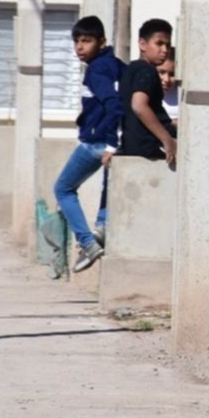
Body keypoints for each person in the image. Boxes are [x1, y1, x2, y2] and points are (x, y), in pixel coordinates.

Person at [56, 16, 124, 273]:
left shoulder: (97, 70)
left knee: (63, 189)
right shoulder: (113, 65)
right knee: (108, 185)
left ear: (102, 42)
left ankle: (87, 242)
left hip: (97, 142)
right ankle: (102, 227)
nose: (79, 47)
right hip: (106, 140)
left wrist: (110, 144)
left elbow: (114, 105)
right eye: (76, 41)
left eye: (86, 41)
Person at [118, 19, 177, 165]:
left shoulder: (131, 68)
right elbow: (139, 106)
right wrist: (167, 139)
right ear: (142, 44)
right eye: (159, 43)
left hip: (132, 147)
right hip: (148, 149)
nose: (164, 50)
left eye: (167, 45)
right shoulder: (147, 71)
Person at [158, 47, 179, 126]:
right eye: (162, 72)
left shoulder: (181, 94)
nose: (167, 79)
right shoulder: (145, 94)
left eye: (172, 74)